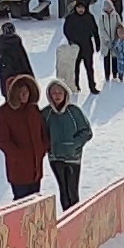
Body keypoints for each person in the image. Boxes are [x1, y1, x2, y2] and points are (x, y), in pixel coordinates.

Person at [0, 76, 48, 200]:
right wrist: (17, 155)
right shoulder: (3, 113)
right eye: (20, 92)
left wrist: (43, 148)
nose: (24, 95)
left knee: (35, 204)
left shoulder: (33, 110)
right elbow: (1, 139)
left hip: (36, 169)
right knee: (21, 205)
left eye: (26, 91)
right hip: (18, 171)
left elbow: (43, 131)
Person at [42, 78, 94, 209]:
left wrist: (74, 145)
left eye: (60, 93)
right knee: (63, 191)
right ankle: (67, 220)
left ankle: (76, 221)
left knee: (72, 192)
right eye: (54, 93)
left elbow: (87, 132)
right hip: (56, 158)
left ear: (65, 94)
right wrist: (49, 146)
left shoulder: (74, 111)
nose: (57, 96)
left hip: (73, 158)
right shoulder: (46, 114)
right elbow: (40, 134)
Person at [63, 0, 101, 94]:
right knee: (75, 68)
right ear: (75, 8)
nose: (80, 10)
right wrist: (70, 41)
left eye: (82, 8)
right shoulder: (71, 18)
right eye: (78, 8)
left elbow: (95, 31)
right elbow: (66, 30)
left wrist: (97, 43)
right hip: (75, 48)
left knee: (89, 68)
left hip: (87, 47)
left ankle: (92, 87)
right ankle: (75, 86)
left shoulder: (89, 17)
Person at [0, 22, 34, 96]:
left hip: (7, 79)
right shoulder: (15, 42)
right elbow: (24, 61)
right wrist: (31, 77)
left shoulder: (0, 43)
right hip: (21, 78)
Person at [96, 0, 124, 82]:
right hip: (106, 42)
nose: (108, 10)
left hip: (115, 39)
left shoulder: (116, 15)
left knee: (114, 57)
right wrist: (107, 39)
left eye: (109, 8)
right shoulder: (101, 17)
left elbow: (119, 25)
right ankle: (107, 75)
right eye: (106, 8)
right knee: (106, 58)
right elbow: (101, 29)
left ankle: (115, 74)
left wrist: (118, 36)